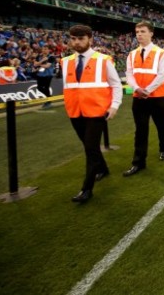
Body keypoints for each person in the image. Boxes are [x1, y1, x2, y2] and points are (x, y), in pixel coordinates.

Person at [61, 25, 122, 203]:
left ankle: (86, 189)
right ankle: (103, 169)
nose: (76, 42)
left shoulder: (103, 60)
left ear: (90, 39)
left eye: (80, 39)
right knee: (90, 146)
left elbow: (116, 84)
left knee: (90, 148)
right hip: (75, 111)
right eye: (73, 38)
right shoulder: (65, 62)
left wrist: (114, 105)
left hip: (96, 112)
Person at [123, 21, 164, 176]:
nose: (139, 34)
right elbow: (129, 74)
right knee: (140, 130)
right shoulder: (131, 54)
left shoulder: (161, 53)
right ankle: (138, 162)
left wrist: (148, 90)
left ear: (151, 33)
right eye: (137, 32)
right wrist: (137, 89)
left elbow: (162, 75)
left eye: (142, 31)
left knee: (161, 125)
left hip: (157, 96)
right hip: (139, 97)